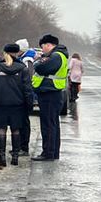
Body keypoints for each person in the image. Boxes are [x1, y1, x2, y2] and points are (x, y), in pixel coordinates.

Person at [0, 43, 30, 168]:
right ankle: (15, 157)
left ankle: (2, 157)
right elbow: (27, 89)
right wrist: (28, 105)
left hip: (0, 104)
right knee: (16, 130)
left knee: (1, 130)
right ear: (17, 53)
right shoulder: (23, 69)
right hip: (17, 105)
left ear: (4, 53)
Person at [31, 33, 69, 161]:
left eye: (43, 47)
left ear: (49, 45)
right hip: (51, 93)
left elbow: (42, 68)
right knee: (52, 124)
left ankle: (48, 152)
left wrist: (37, 63)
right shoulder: (58, 55)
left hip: (50, 93)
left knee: (48, 124)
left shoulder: (56, 56)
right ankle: (52, 152)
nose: (42, 50)